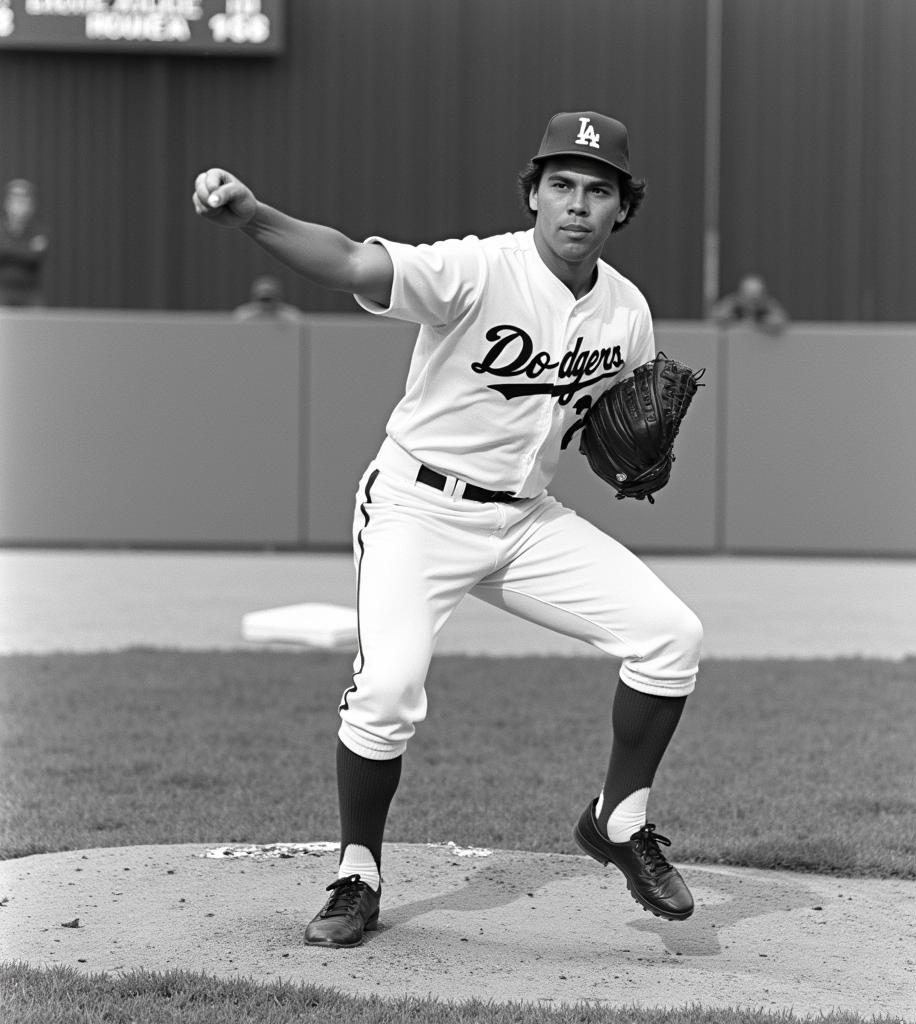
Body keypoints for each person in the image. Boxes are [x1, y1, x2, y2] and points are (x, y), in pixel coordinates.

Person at [192, 110, 704, 949]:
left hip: (527, 520)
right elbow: (354, 260)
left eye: (598, 190)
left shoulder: (628, 314)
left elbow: (622, 419)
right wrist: (253, 215)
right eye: (562, 184)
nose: (578, 203)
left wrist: (640, 459)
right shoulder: (475, 269)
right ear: (534, 195)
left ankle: (619, 819)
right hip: (418, 509)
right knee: (388, 689)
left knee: (671, 637)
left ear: (621, 209)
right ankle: (358, 873)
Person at [0, 179, 49, 307]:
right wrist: (25, 248)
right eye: (15, 199)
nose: (19, 204)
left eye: (23, 200)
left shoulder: (39, 230)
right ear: (7, 203)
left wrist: (8, 249)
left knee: (37, 325)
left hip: (30, 292)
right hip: (3, 290)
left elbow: (35, 257)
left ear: (31, 205)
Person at [710, 272, 788, 335]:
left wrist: (760, 321)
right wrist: (734, 319)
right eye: (749, 297)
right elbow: (717, 317)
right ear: (741, 294)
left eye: (756, 298)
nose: (752, 303)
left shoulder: (767, 304)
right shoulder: (733, 302)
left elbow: (780, 320)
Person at [232, 273, 303, 323]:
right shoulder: (242, 316)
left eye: (269, 298)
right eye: (263, 299)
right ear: (254, 297)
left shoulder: (292, 316)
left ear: (279, 297)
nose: (266, 304)